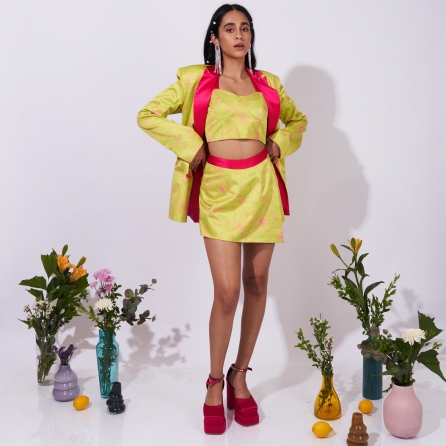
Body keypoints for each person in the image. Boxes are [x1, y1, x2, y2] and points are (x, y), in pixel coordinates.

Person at [137, 3, 307, 435]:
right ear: (215, 37)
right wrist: (189, 144)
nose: (239, 35)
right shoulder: (195, 80)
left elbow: (298, 120)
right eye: (230, 28)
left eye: (245, 28)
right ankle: (214, 382)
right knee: (228, 292)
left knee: (257, 283)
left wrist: (279, 143)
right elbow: (148, 115)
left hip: (262, 188)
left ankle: (239, 375)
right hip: (218, 190)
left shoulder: (268, 84)